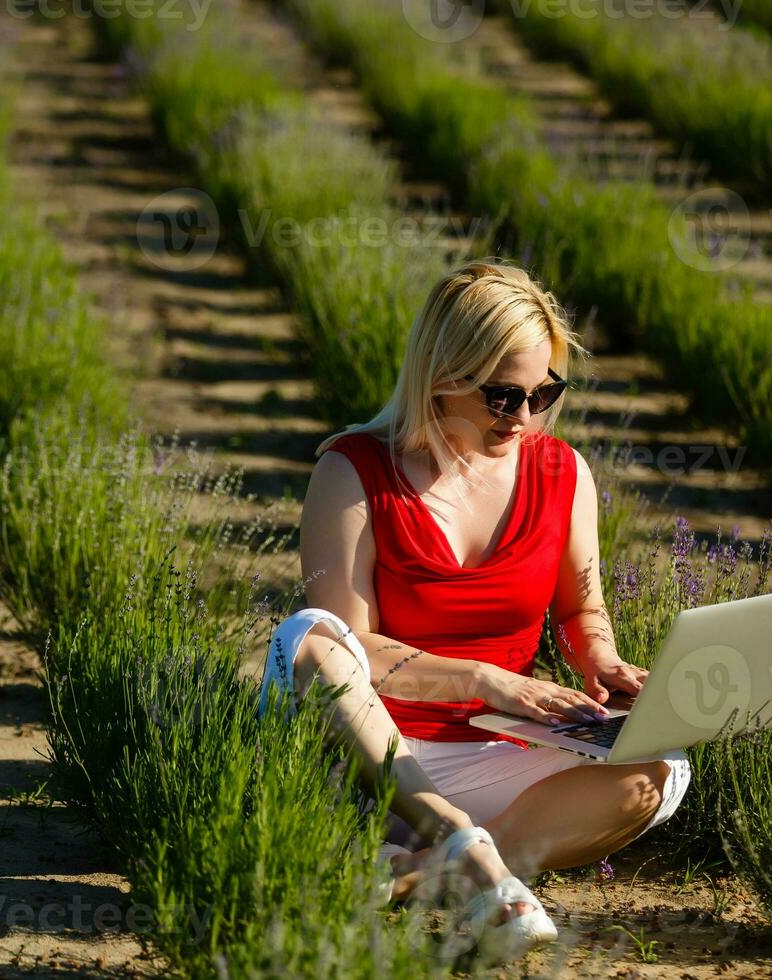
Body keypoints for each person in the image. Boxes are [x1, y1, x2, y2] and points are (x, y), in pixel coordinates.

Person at [258, 259, 691, 964]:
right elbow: (352, 651)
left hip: (487, 751)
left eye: (544, 393)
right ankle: (448, 830)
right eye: (501, 396)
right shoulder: (354, 471)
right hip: (366, 757)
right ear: (441, 377)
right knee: (307, 637)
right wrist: (484, 680)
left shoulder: (562, 472)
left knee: (664, 769)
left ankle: (429, 870)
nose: (524, 417)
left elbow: (582, 608)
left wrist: (602, 660)